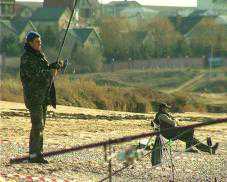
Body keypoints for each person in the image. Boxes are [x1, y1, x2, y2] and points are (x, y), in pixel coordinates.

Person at [20, 31, 63, 163]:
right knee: (37, 125)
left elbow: (45, 70)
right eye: (37, 42)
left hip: (43, 96)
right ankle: (34, 155)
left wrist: (54, 66)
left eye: (40, 42)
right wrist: (50, 72)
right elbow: (35, 75)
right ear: (30, 43)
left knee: (41, 125)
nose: (40, 44)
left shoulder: (39, 56)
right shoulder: (27, 57)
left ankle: (38, 153)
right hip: (34, 97)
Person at [153, 102, 219, 154]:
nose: (167, 109)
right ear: (162, 108)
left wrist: (172, 119)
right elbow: (174, 124)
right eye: (166, 108)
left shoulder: (161, 115)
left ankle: (210, 150)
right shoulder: (162, 116)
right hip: (170, 133)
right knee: (191, 129)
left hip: (170, 132)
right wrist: (174, 119)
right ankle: (189, 148)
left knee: (192, 139)